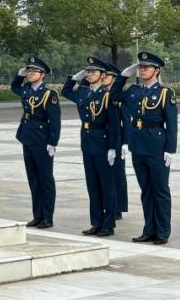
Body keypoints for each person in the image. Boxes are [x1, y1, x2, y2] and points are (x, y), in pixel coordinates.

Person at [115, 51, 177, 245]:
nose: (142, 70)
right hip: (138, 145)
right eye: (141, 67)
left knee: (160, 190)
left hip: (157, 146)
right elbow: (114, 95)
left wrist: (170, 149)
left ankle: (162, 231)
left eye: (147, 67)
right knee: (146, 191)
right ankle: (149, 229)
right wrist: (123, 76)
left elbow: (172, 123)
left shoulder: (165, 93)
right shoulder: (134, 90)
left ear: (156, 70)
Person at [61, 57, 119, 237]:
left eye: (94, 71)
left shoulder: (108, 95)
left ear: (103, 75)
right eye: (88, 71)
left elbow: (114, 124)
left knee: (106, 186)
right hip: (87, 141)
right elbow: (65, 91)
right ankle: (96, 222)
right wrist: (74, 79)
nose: (90, 74)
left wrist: (113, 148)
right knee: (92, 185)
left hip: (102, 142)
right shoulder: (83, 92)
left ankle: (108, 224)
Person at [10, 56, 61, 229]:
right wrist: (19, 75)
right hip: (27, 137)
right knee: (33, 179)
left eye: (34, 71)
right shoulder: (26, 89)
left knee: (45, 180)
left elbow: (55, 121)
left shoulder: (49, 94)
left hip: (42, 140)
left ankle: (47, 217)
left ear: (43, 74)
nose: (30, 73)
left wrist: (53, 142)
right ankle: (37, 215)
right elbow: (14, 87)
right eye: (28, 71)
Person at [106, 62, 128, 220]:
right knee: (106, 174)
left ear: (114, 78)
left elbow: (126, 121)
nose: (104, 77)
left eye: (107, 75)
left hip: (118, 139)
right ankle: (108, 205)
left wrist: (126, 142)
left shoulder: (118, 97)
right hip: (104, 138)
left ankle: (118, 207)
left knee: (117, 174)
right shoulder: (100, 93)